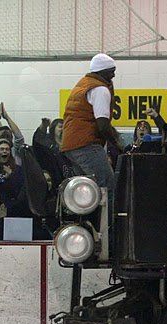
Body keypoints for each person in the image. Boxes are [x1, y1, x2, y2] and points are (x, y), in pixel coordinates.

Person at [60, 53, 121, 209]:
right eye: (111, 71)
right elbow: (103, 125)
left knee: (86, 191)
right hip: (85, 144)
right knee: (106, 185)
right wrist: (117, 144)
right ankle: (107, 223)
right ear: (102, 72)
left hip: (70, 146)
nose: (113, 75)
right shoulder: (100, 89)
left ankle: (88, 221)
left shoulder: (83, 84)